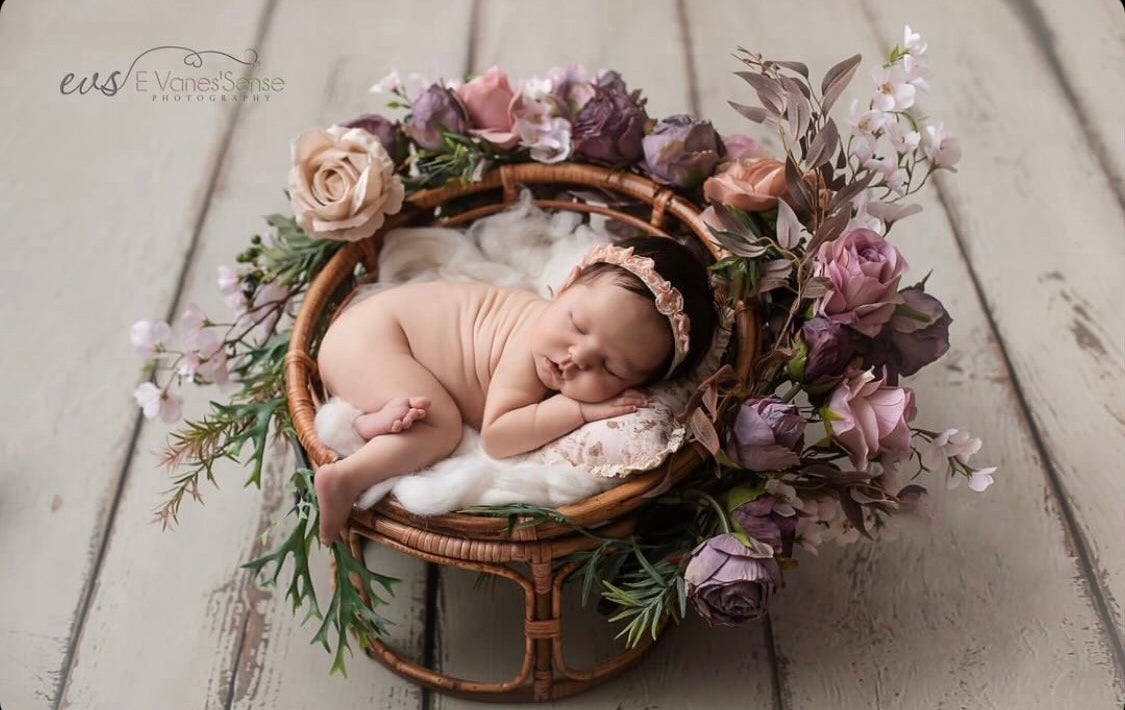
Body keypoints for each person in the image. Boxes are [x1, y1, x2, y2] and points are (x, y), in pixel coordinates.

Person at [313, 236, 718, 544]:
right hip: (373, 338)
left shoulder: (559, 341)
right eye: (576, 325)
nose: (575, 356)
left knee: (420, 410)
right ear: (564, 288)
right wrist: (580, 411)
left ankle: (371, 422)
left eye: (610, 366)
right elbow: (499, 437)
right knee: (440, 428)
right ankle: (345, 479)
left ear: (637, 384)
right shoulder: (528, 340)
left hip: (376, 356)